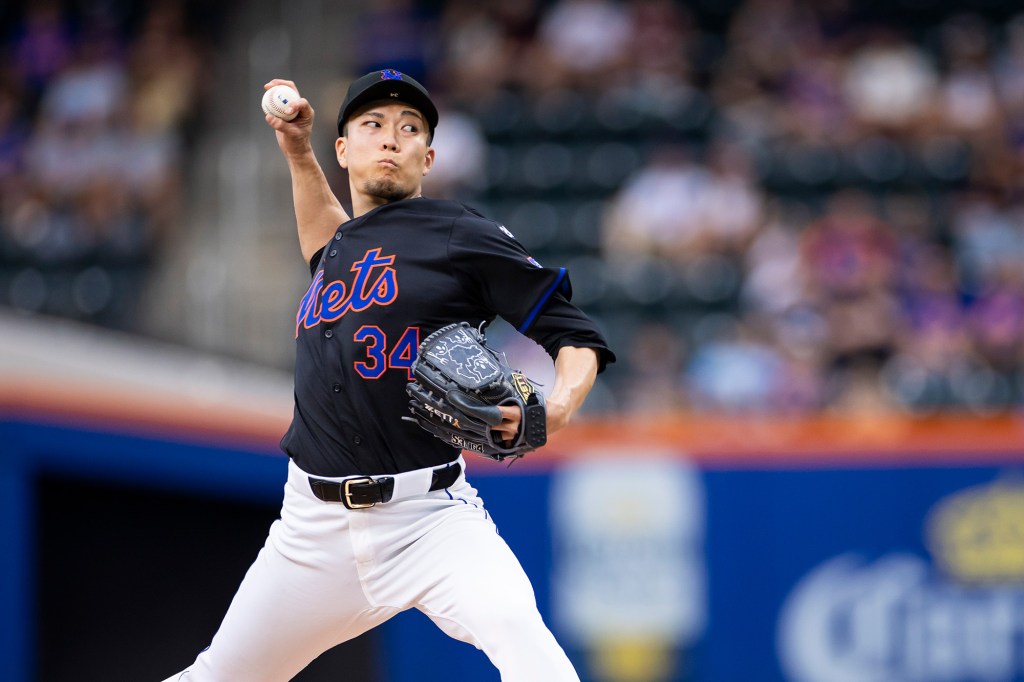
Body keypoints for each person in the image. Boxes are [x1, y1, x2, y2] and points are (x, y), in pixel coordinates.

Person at [161, 68, 614, 681]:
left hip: (428, 519)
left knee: (524, 642)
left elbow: (575, 335)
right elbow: (326, 241)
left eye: (409, 129)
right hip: (311, 528)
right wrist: (296, 149)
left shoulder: (458, 233)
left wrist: (556, 410)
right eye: (372, 125)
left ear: (427, 158)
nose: (390, 138)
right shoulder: (343, 245)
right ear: (343, 150)